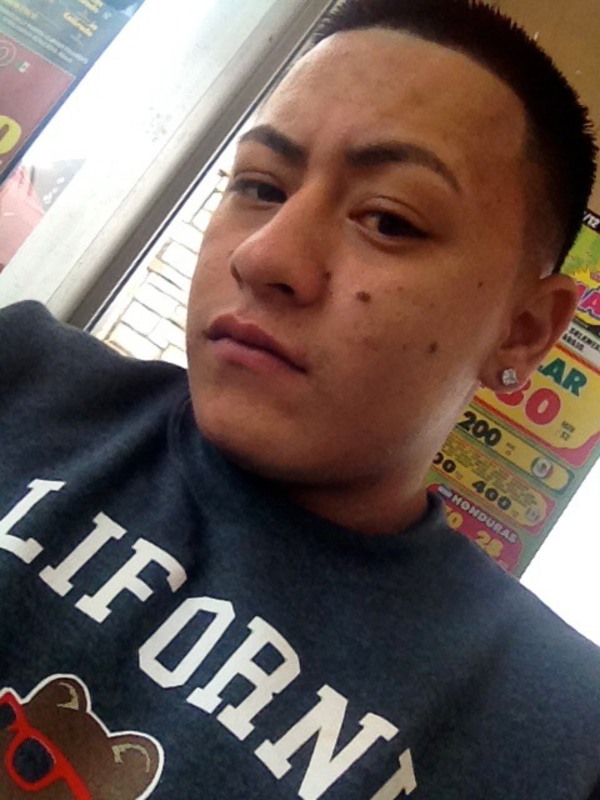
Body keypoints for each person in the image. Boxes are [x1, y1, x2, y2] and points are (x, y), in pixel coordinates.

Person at [0, 0, 598, 797]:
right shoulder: (23, 376)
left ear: (523, 330)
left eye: (389, 220)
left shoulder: (554, 738)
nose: (264, 256)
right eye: (259, 185)